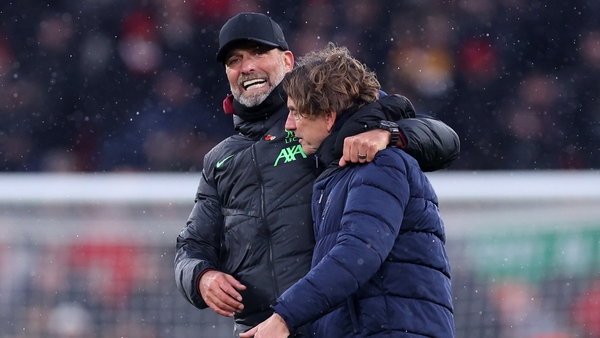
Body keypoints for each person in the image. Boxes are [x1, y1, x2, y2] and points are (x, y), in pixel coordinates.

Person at [174, 12, 459, 337]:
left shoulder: (327, 112)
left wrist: (391, 134)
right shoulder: (219, 160)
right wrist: (201, 277)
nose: (247, 66)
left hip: (331, 322)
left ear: (287, 59)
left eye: (258, 53)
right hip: (263, 330)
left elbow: (445, 140)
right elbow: (192, 245)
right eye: (235, 60)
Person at [240, 43, 455, 338]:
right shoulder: (338, 171)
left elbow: (358, 252)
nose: (289, 125)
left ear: (329, 116)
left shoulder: (379, 162)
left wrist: (285, 317)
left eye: (296, 113)